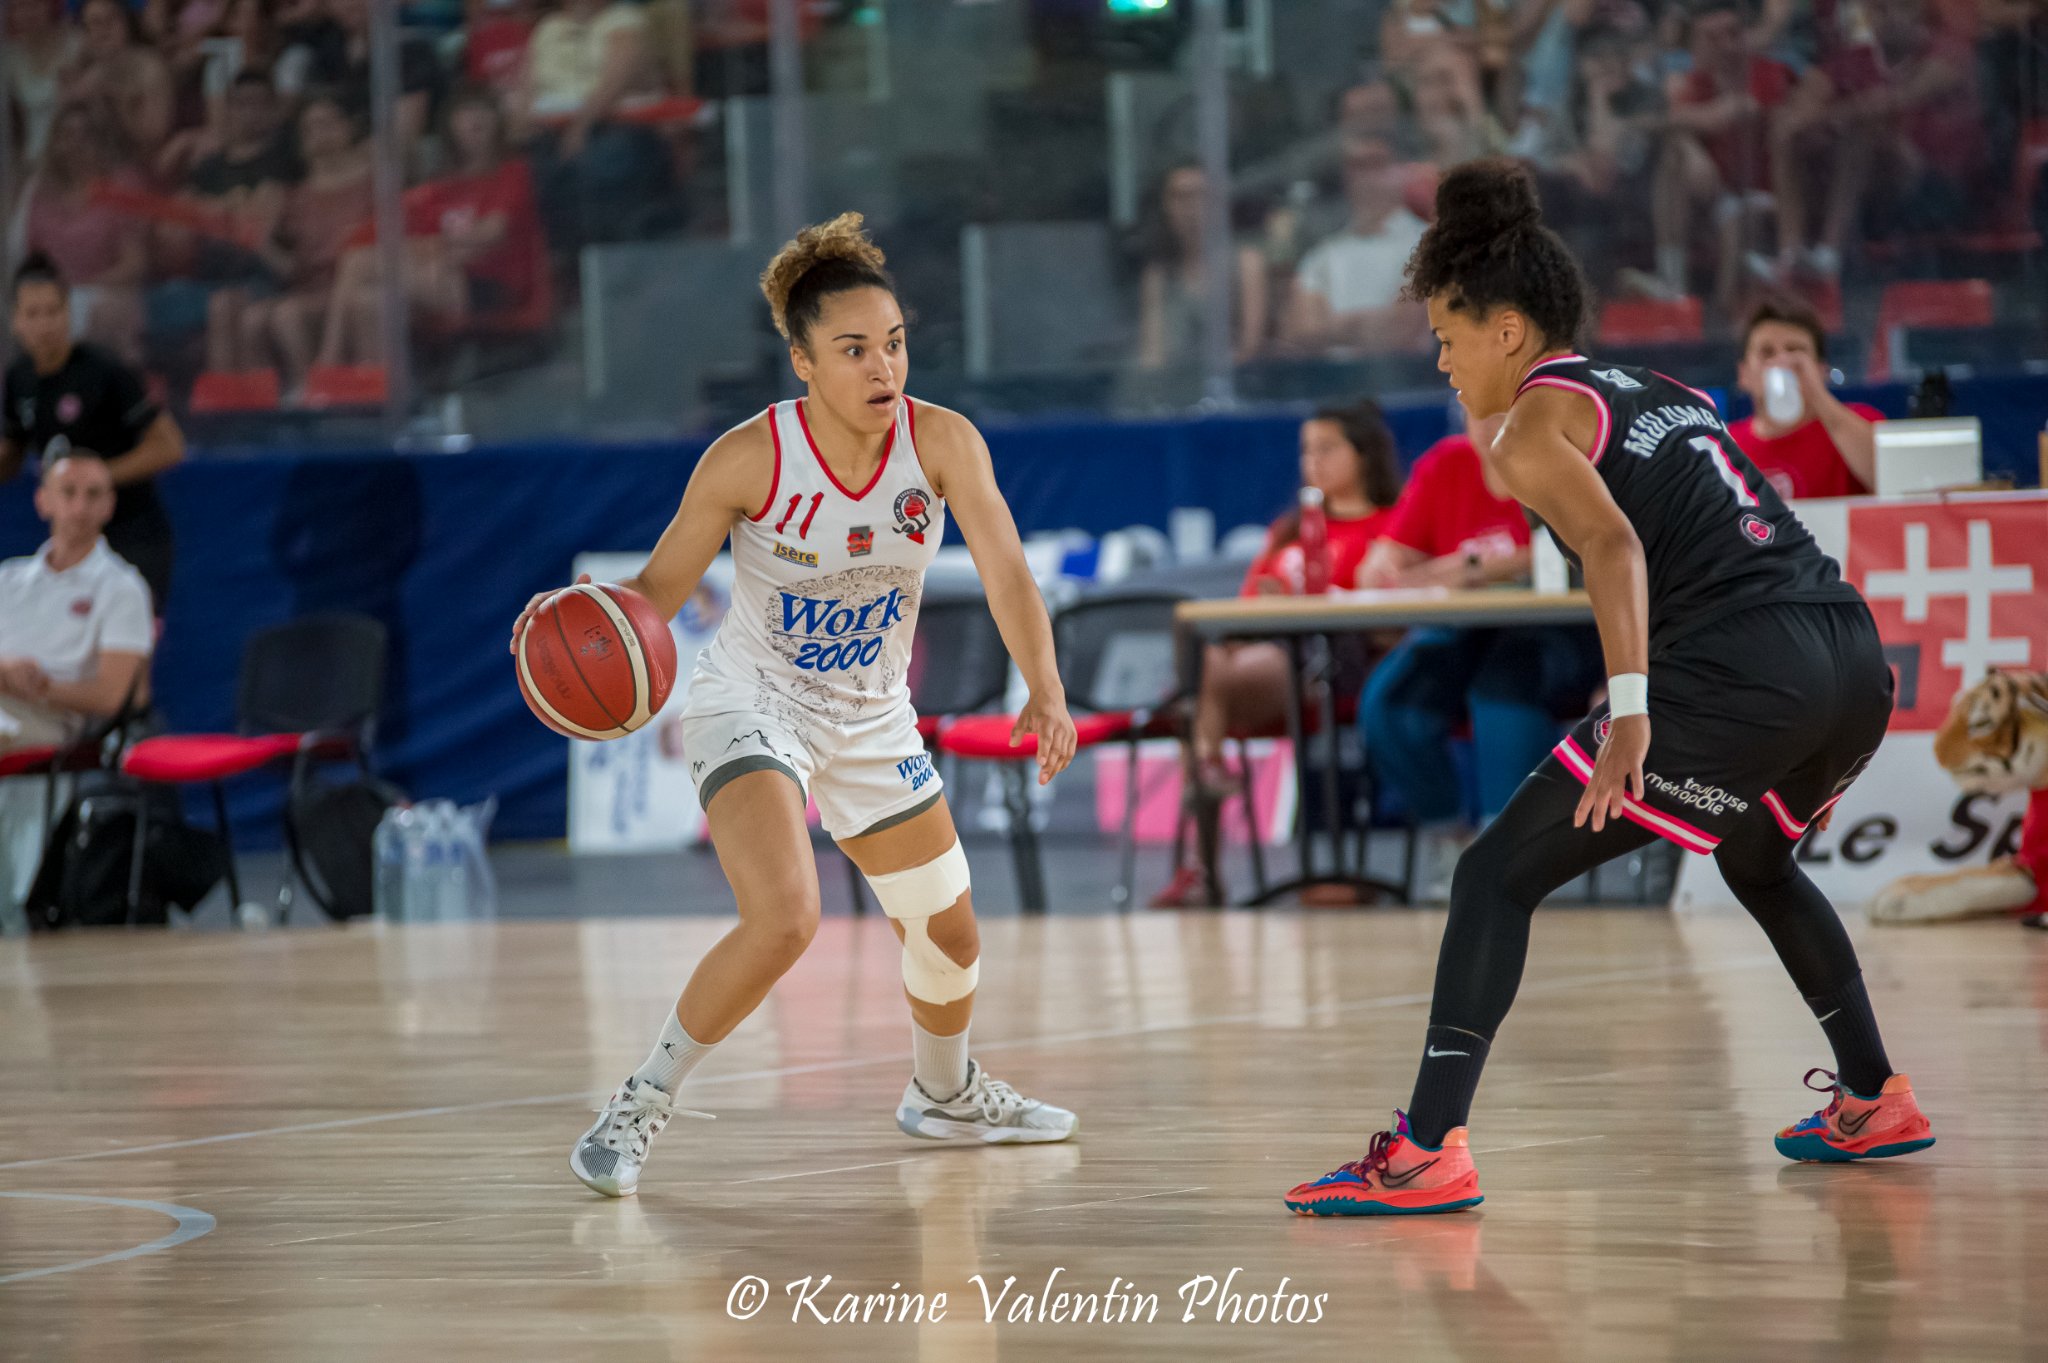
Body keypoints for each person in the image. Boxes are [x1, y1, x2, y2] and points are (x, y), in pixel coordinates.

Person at [1285, 160, 1933, 1219]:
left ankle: (1421, 1147)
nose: (1442, 364)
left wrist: (1630, 707)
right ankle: (1873, 1093)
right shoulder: (1663, 390)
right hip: (1847, 654)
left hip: (1737, 671)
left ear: (1505, 332)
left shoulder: (1525, 430)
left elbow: (1611, 544)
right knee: (1757, 857)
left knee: (1491, 876)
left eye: (1447, 338)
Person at [508, 213, 1081, 1199]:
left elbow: (1006, 571)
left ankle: (941, 1095)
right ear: (802, 362)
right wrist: (571, 624)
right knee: (785, 916)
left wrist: (1046, 684)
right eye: (853, 349)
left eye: (893, 343)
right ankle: (640, 1099)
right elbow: (653, 594)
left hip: (869, 715)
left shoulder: (939, 442)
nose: (881, 367)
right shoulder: (748, 457)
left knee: (950, 936)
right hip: (754, 701)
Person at [1150, 399, 1404, 909]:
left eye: (1328, 449)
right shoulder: (1288, 530)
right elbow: (1246, 612)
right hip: (1266, 663)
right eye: (1307, 450)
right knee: (1202, 659)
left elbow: (1392, 620)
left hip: (1341, 667)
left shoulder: (1390, 527)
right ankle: (1209, 771)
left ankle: (1202, 865)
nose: (1314, 461)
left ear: (1365, 455)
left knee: (1196, 692)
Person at [1353, 410, 1602, 901]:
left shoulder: (1564, 457)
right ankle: (1450, 841)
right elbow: (1383, 570)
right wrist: (1391, 566)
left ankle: (1508, 856)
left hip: (1560, 632)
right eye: (1474, 408)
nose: (1486, 420)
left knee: (1502, 688)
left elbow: (1577, 547)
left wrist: (1466, 569)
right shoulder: (1444, 465)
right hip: (1462, 629)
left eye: (1499, 407)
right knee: (1390, 701)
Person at [4, 254, 185, 609]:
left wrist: (98, 477)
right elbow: (12, 452)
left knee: (131, 647)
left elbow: (170, 446)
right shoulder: (19, 378)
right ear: (15, 321)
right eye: (33, 313)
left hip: (132, 537)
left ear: (69, 313)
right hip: (70, 539)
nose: (45, 324)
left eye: (53, 312)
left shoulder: (104, 371)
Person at [317, 86, 545, 368]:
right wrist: (441, 249)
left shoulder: (512, 172)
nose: (476, 118)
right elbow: (409, 237)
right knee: (367, 299)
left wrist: (435, 248)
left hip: (492, 285)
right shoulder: (440, 187)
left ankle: (327, 363)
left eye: (483, 110)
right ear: (450, 127)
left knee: (358, 263)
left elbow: (490, 234)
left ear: (497, 121)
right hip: (439, 276)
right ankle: (376, 386)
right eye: (465, 112)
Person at [0, 452, 153, 755]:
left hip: (52, 725)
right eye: (69, 492)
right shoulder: (6, 578)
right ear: (43, 501)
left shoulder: (123, 588)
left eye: (93, 494)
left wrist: (36, 688)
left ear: (109, 505)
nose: (80, 507)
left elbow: (114, 697)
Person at [1279, 136, 1430, 355]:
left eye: (1377, 164)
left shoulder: (1428, 241)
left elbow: (1402, 330)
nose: (1366, 177)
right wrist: (1372, 322)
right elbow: (1298, 331)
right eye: (1357, 167)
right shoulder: (1325, 253)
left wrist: (1329, 327)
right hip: (1334, 384)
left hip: (1404, 382)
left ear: (1402, 172)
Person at [1727, 298, 1882, 500]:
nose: (1782, 361)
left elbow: (1890, 477)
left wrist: (1817, 394)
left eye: (1795, 350)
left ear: (1821, 369)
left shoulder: (1860, 421)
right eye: (1767, 353)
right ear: (1744, 374)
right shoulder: (1727, 445)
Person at [1134, 163, 1269, 371]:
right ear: (1165, 206)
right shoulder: (1158, 276)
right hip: (1175, 389)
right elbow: (1153, 353)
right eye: (1180, 197)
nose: (1191, 208)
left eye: (1201, 196)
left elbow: (1250, 348)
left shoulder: (1246, 263)